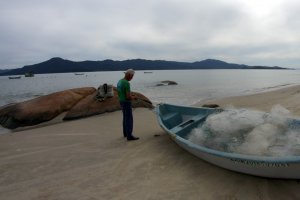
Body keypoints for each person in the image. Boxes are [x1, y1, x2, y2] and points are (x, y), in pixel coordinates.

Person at [117, 69, 139, 141]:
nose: (132, 78)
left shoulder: (120, 81)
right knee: (129, 118)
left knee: (125, 118)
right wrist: (134, 97)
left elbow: (121, 93)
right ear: (129, 75)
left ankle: (125, 133)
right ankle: (129, 136)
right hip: (126, 102)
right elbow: (128, 97)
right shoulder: (126, 83)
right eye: (132, 76)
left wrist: (130, 95)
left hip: (121, 101)